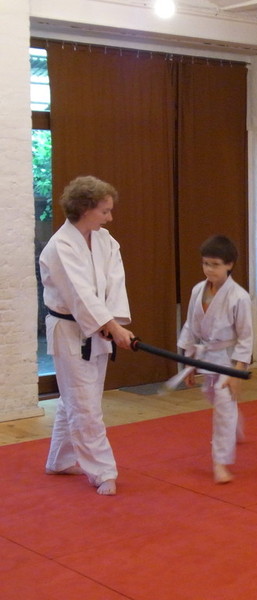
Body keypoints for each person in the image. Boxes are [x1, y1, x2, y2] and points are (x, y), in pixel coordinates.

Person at [40, 175, 136, 496]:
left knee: (80, 398)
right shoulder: (60, 247)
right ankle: (102, 471)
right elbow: (78, 293)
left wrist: (113, 323)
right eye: (104, 211)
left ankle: (60, 459)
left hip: (98, 330)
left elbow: (115, 282)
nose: (110, 217)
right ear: (85, 209)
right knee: (85, 404)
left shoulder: (105, 240)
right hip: (69, 332)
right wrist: (110, 326)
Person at [177, 235, 253, 484]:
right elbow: (190, 326)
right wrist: (188, 363)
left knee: (223, 408)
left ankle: (220, 462)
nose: (209, 269)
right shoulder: (197, 290)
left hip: (227, 358)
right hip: (205, 355)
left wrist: (237, 372)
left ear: (229, 264)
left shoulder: (239, 297)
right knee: (214, 397)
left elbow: (245, 337)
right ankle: (235, 421)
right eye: (205, 263)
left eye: (215, 265)